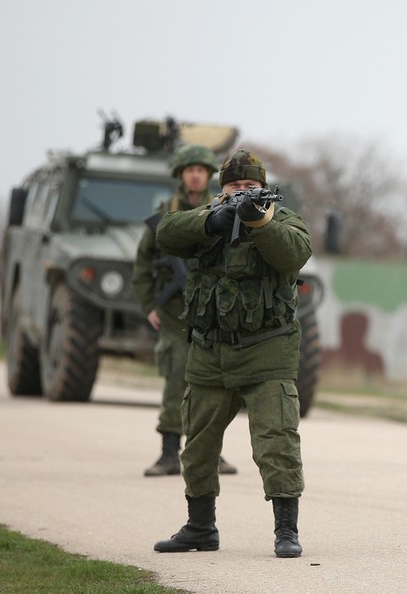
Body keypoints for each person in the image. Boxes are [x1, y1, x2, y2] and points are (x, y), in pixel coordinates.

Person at [152, 149, 311, 558]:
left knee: (276, 442)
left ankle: (286, 531)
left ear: (263, 187)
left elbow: (294, 252)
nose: (243, 192)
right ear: (220, 189)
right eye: (235, 187)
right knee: (199, 445)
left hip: (267, 352)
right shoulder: (207, 217)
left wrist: (259, 221)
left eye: (250, 186)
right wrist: (212, 220)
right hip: (209, 353)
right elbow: (165, 234)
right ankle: (200, 527)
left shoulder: (282, 219)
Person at [132, 144, 238, 477]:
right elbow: (142, 264)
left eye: (201, 170)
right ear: (182, 175)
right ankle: (168, 453)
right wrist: (150, 304)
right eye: (189, 170)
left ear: (208, 175)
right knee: (177, 376)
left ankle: (209, 452)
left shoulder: (222, 208)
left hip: (211, 313)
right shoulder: (166, 213)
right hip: (174, 312)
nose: (195, 175)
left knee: (213, 384)